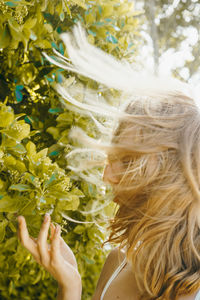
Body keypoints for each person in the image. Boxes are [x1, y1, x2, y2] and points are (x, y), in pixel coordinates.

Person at [17, 23, 200, 299]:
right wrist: (70, 285)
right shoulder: (117, 263)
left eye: (126, 162)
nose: (107, 176)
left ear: (169, 178)